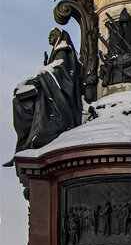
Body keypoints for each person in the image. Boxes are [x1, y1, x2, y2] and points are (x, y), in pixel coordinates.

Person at [7, 28, 83, 160]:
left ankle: (37, 134)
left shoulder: (63, 52)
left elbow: (59, 71)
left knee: (28, 102)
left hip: (57, 94)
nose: (49, 37)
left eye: (52, 35)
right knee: (19, 101)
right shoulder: (59, 52)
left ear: (59, 37)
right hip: (49, 90)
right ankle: (25, 139)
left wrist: (42, 75)